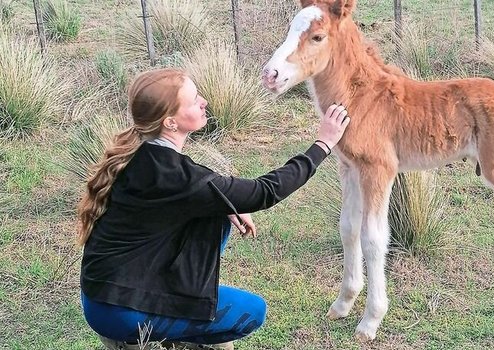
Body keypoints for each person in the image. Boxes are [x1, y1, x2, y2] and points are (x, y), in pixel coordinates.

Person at [77, 68, 350, 350]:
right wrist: (324, 143)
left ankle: (153, 333)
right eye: (194, 100)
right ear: (170, 122)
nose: (204, 101)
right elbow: (266, 191)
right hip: (122, 310)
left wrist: (223, 205)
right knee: (252, 312)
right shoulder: (177, 176)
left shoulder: (139, 153)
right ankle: (144, 339)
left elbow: (187, 197)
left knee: (216, 218)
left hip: (100, 294)